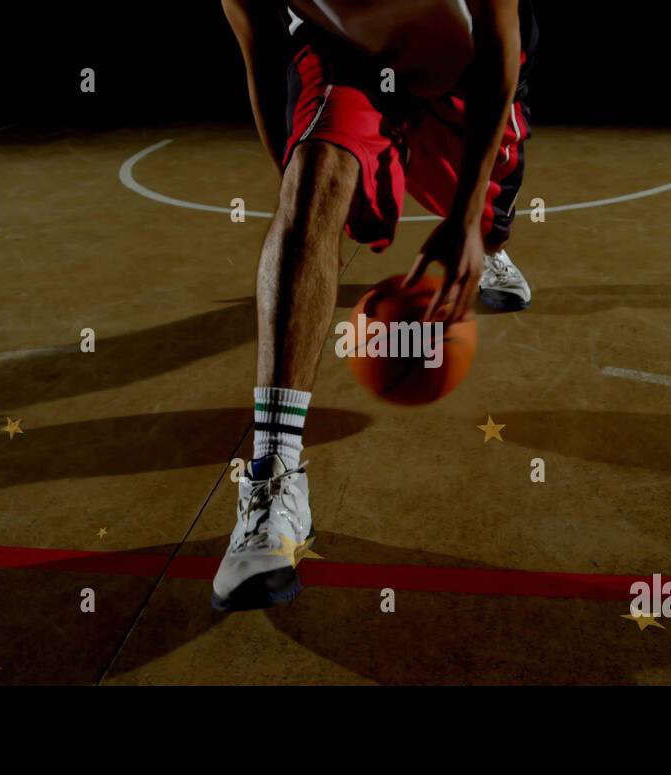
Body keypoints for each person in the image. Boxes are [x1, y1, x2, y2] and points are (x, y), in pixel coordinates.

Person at [213, 0, 537, 611]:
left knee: (485, 215)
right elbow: (263, 54)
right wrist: (303, 200)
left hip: (466, 60)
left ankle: (490, 243)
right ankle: (275, 476)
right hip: (349, 59)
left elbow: (501, 33)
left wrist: (468, 217)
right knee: (312, 180)